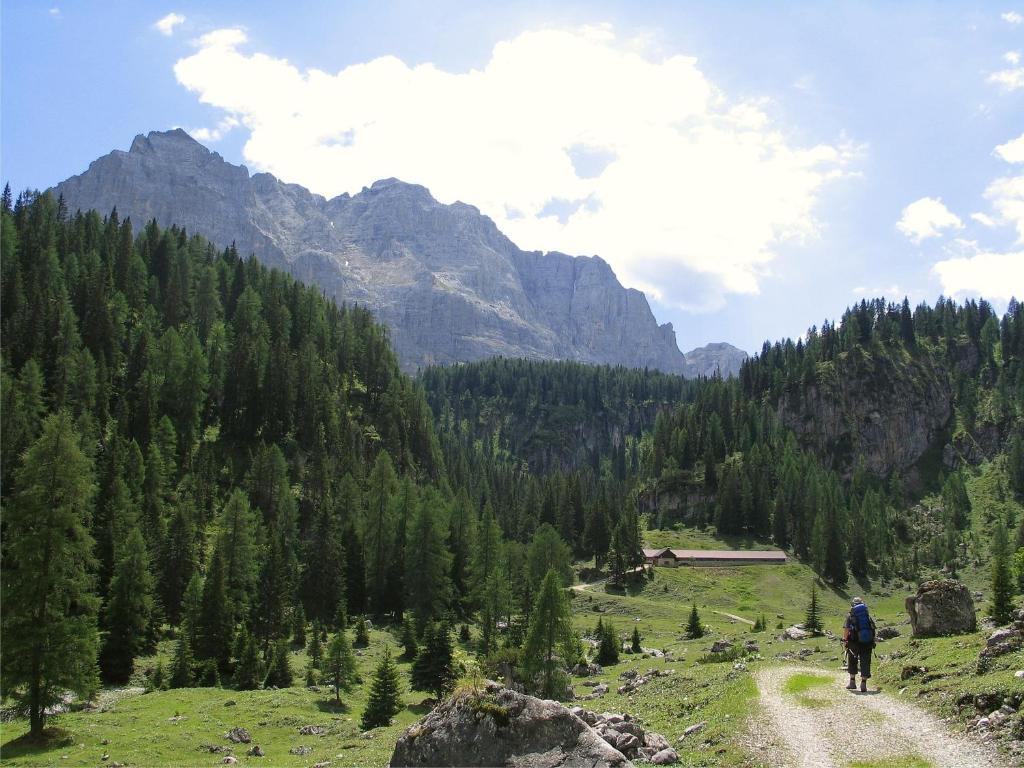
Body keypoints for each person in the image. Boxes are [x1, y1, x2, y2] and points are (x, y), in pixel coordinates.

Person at [843, 597, 875, 692]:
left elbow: (846, 629)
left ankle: (852, 682)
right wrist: (872, 640)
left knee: (852, 660)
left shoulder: (850, 616)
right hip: (867, 642)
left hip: (853, 642)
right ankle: (863, 684)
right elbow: (873, 628)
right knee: (866, 660)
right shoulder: (867, 615)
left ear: (853, 605)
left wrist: (845, 641)